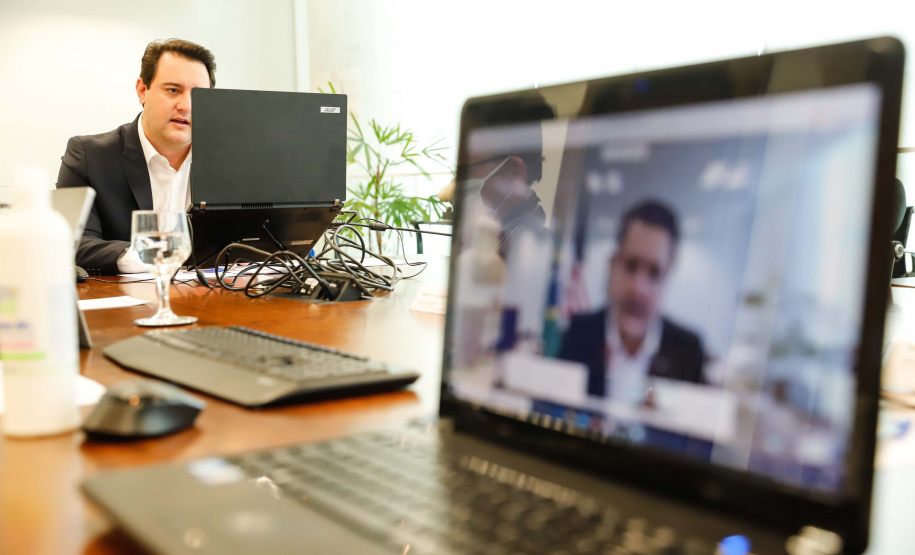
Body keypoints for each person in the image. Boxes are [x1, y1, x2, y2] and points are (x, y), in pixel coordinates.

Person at [56, 39, 216, 274]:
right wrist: (151, 257)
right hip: (124, 304)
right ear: (143, 90)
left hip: (211, 300)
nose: (186, 105)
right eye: (173, 90)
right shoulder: (88, 155)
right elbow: (72, 241)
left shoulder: (229, 159)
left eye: (198, 94)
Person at [559, 200, 706, 400]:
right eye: (631, 266)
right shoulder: (578, 333)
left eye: (654, 273)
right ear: (613, 265)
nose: (639, 288)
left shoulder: (688, 351)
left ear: (668, 276)